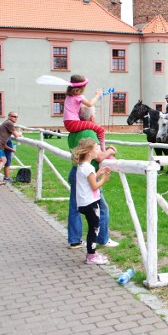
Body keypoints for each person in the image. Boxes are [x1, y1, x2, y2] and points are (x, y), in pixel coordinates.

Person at [67, 106, 118, 249]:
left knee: (75, 207)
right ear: (91, 118)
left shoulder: (72, 132)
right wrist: (111, 150)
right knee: (102, 208)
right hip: (88, 174)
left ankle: (74, 240)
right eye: (94, 114)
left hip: (75, 171)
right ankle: (103, 238)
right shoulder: (89, 131)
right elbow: (99, 155)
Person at [71, 138, 112, 265]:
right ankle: (91, 255)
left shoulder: (82, 166)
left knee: (93, 227)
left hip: (84, 202)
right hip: (90, 203)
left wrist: (98, 172)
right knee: (94, 228)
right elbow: (94, 186)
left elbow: (89, 180)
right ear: (89, 152)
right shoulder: (88, 168)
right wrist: (104, 179)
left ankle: (92, 253)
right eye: (96, 148)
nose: (99, 151)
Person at [63, 74, 106, 150]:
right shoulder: (78, 97)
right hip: (74, 123)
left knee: (94, 128)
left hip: (67, 123)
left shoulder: (69, 97)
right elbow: (90, 104)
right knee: (101, 130)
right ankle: (102, 148)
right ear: (81, 88)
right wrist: (97, 95)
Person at [0, 112, 22, 185]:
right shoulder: (9, 123)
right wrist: (20, 134)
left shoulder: (7, 123)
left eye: (17, 116)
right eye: (14, 116)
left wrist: (10, 149)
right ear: (9, 117)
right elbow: (16, 135)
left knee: (4, 159)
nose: (16, 118)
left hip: (0, 144)